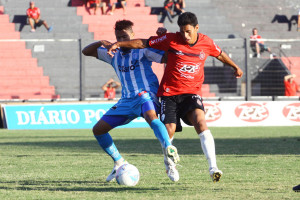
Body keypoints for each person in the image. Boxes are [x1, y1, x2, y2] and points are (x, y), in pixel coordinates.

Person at [107, 12, 244, 182]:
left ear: (196, 28)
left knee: (200, 122)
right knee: (169, 129)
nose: (185, 35)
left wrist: (235, 66)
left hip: (191, 93)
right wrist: (119, 43)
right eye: (182, 32)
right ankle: (170, 165)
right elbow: (143, 43)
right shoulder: (171, 39)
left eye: (188, 31)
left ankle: (213, 168)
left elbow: (220, 54)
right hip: (169, 94)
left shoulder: (206, 42)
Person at [82, 20, 180, 182]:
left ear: (132, 36)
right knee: (98, 130)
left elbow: (168, 58)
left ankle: (169, 150)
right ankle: (119, 163)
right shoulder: (113, 54)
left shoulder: (143, 51)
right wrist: (101, 42)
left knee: (152, 118)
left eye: (125, 36)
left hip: (145, 95)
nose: (121, 40)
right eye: (118, 37)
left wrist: (164, 41)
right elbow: (86, 51)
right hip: (126, 101)